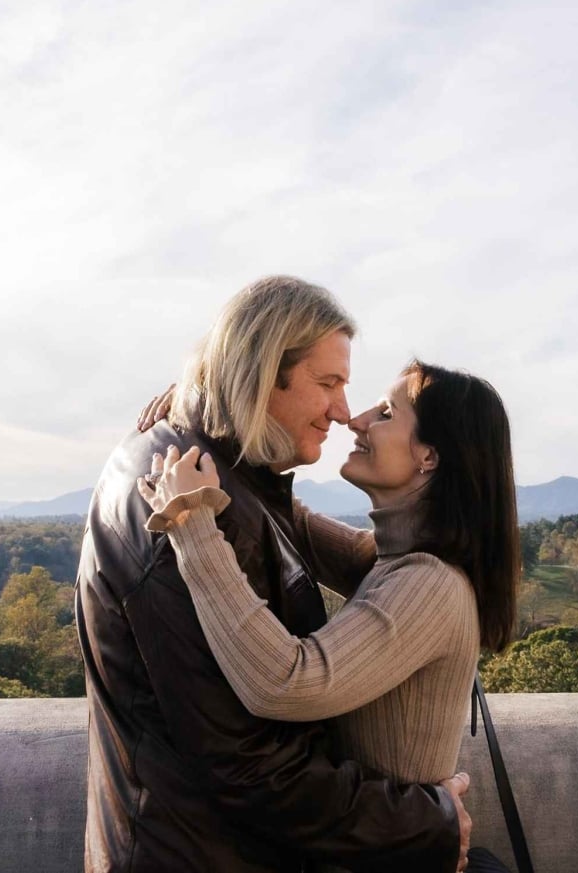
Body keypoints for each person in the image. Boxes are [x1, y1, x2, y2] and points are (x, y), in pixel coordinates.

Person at [76, 276, 472, 873]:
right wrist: (428, 821)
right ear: (262, 373)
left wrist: (200, 386)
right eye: (329, 384)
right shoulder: (181, 502)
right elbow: (249, 764)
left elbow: (392, 571)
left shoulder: (228, 481)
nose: (345, 413)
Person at [138, 360, 521, 872]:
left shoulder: (428, 585)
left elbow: (285, 682)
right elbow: (284, 517)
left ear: (429, 455)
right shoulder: (396, 560)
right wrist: (211, 404)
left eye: (386, 413)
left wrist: (190, 526)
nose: (355, 419)